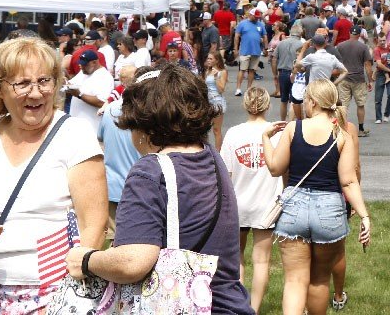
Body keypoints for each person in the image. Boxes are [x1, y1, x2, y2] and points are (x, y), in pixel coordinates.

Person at [65, 64, 256, 315]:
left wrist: (86, 259)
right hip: (229, 304)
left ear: (144, 125)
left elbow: (134, 260)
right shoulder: (211, 157)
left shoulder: (150, 171)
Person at [0, 36, 107, 311]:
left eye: (44, 81)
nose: (36, 93)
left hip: (58, 289)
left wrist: (72, 291)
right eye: (23, 83)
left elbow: (94, 225)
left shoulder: (74, 134)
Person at [261, 79, 371, 315]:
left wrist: (265, 139)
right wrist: (364, 216)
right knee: (320, 280)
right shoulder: (342, 135)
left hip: (294, 209)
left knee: (294, 281)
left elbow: (275, 168)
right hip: (329, 211)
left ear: (312, 102)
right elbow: (349, 181)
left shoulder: (293, 128)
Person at [220, 87, 284, 314]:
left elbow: (226, 174)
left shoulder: (233, 133)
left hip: (238, 203)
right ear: (268, 105)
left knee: (236, 258)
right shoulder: (277, 132)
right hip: (267, 204)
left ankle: (238, 306)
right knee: (262, 261)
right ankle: (253, 309)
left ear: (245, 105)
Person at [98, 65, 142, 240]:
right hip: (139, 187)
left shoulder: (109, 110)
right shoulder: (144, 111)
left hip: (113, 186)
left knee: (113, 238)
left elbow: (100, 137)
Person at [336, 26, 374, 137]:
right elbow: (367, 65)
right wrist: (370, 80)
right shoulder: (363, 47)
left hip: (344, 78)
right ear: (359, 34)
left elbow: (336, 62)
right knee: (360, 105)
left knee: (343, 105)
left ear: (349, 33)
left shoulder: (340, 46)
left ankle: (341, 129)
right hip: (358, 79)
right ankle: (360, 129)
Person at [66, 49, 114, 131]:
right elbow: (71, 84)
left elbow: (102, 102)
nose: (81, 67)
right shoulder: (83, 72)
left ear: (94, 62)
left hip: (91, 128)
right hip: (75, 124)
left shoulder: (105, 77)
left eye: (85, 65)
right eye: (81, 64)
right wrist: (65, 83)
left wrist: (80, 95)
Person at [234, 8, 268, 96]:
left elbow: (265, 36)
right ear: (250, 15)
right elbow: (236, 36)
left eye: (258, 17)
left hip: (256, 51)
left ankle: (249, 89)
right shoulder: (242, 24)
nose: (257, 18)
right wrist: (236, 49)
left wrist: (266, 48)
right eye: (255, 16)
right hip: (245, 50)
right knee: (242, 69)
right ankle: (238, 88)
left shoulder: (260, 24)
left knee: (252, 70)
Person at [276, 24, 305, 121]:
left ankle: (282, 121)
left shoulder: (281, 43)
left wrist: (275, 73)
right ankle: (292, 123)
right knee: (295, 101)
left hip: (283, 72)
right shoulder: (301, 45)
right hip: (296, 73)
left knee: (283, 100)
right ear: (300, 33)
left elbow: (274, 58)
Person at [204, 51, 229, 151]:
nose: (208, 60)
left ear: (217, 60)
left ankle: (218, 152)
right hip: (207, 102)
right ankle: (206, 151)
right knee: (205, 129)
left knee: (216, 130)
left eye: (211, 59)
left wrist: (215, 78)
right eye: (208, 58)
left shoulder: (222, 72)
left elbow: (221, 89)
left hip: (217, 102)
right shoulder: (207, 71)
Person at [373, 36, 390, 124]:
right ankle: (378, 117)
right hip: (381, 73)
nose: (382, 42)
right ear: (377, 40)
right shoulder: (377, 50)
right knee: (378, 97)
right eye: (380, 40)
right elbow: (379, 64)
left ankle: (386, 114)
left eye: (384, 40)